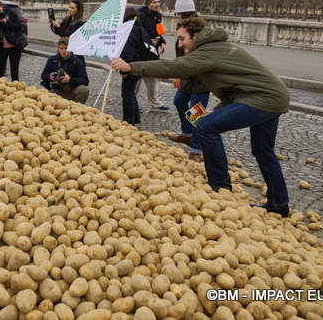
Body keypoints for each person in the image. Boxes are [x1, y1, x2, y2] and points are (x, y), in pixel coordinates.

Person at [111, 17, 291, 216]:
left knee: (206, 127)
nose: (179, 44)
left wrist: (132, 67)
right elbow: (208, 83)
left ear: (195, 35)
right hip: (271, 95)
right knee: (263, 151)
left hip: (262, 97)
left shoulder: (208, 51)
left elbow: (174, 67)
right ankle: (279, 204)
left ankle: (221, 188)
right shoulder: (212, 49)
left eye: (182, 39)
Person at [168, 0, 211, 161]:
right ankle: (187, 134)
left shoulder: (198, 31)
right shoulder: (184, 27)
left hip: (201, 80)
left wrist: (179, 74)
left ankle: (197, 149)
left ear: (180, 14)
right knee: (179, 101)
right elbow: (181, 55)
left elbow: (193, 58)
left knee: (196, 112)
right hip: (187, 77)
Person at [118, 7, 159, 125]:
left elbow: (127, 52)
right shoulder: (141, 29)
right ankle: (136, 118)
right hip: (141, 65)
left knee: (127, 93)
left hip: (131, 66)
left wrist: (123, 71)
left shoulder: (129, 31)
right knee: (130, 92)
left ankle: (129, 121)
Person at [135, 0, 168, 111]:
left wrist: (162, 42)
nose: (157, 4)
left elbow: (159, 31)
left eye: (158, 2)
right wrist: (148, 41)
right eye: (154, 2)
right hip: (140, 52)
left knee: (154, 77)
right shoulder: (139, 14)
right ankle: (132, 102)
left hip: (153, 53)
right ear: (147, 3)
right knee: (136, 79)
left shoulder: (158, 15)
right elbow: (138, 31)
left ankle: (155, 103)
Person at [41, 37, 89, 103]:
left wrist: (70, 80)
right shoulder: (52, 60)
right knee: (44, 94)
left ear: (71, 49)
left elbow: (85, 81)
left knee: (84, 90)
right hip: (56, 91)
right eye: (61, 48)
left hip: (72, 90)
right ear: (58, 49)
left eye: (66, 48)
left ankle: (75, 108)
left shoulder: (77, 61)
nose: (64, 51)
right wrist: (50, 77)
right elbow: (43, 75)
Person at [0, 0, 26, 81]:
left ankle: (16, 88)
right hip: (1, 46)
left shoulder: (11, 13)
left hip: (14, 45)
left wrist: (6, 22)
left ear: (2, 6)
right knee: (0, 71)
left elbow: (18, 27)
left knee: (14, 71)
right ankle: (0, 88)